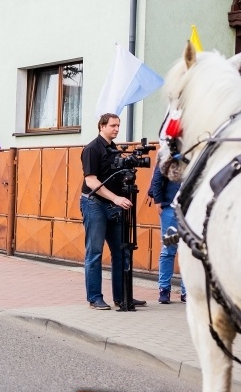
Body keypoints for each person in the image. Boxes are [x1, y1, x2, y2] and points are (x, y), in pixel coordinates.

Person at [80, 113, 147, 310]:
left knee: (122, 251)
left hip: (113, 206)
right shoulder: (92, 149)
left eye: (118, 125)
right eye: (112, 125)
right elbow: (90, 181)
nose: (116, 129)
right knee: (95, 252)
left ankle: (123, 296)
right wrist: (116, 198)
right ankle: (95, 298)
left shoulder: (114, 149)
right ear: (102, 126)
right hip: (94, 204)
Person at [150, 165, 186, 304]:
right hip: (170, 207)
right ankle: (164, 289)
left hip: (191, 208)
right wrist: (158, 201)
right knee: (168, 249)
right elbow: (158, 176)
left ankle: (186, 291)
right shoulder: (171, 150)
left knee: (188, 252)